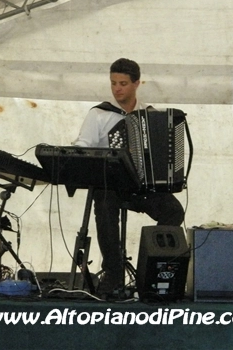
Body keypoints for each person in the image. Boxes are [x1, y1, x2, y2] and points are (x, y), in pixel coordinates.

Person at [73, 58, 185, 295]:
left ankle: (148, 269)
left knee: (174, 211)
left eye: (123, 83)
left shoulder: (150, 114)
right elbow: (83, 146)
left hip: (142, 186)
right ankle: (113, 273)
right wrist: (83, 153)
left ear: (136, 83)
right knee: (104, 204)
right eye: (113, 83)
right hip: (111, 185)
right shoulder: (99, 114)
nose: (117, 89)